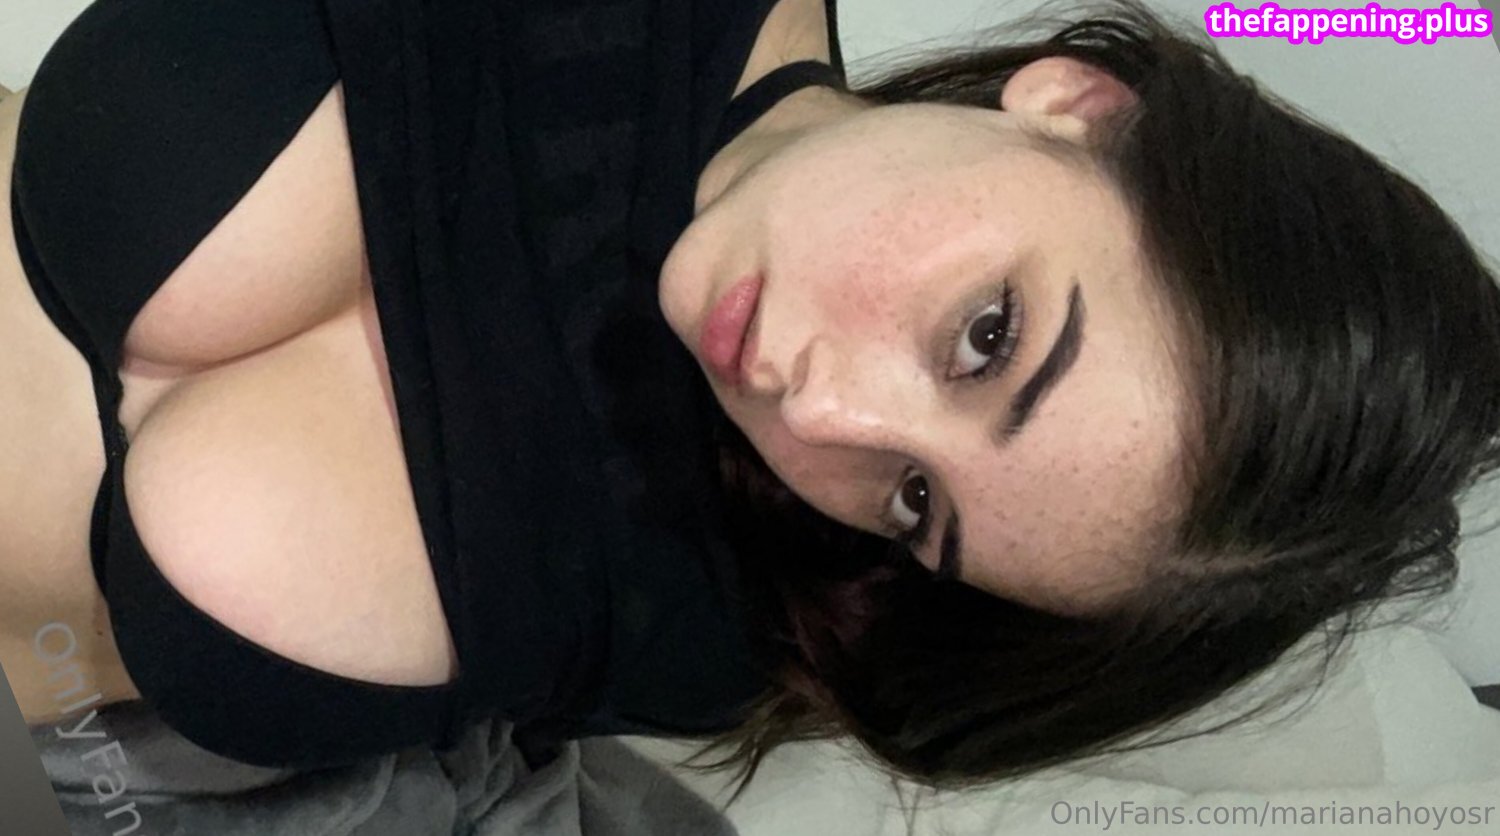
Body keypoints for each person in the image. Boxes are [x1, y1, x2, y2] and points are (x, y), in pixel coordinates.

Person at [3, 0, 1497, 811]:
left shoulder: (717, 622)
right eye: (986, 338)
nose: (818, 415)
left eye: (917, 504)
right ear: (1077, 107)